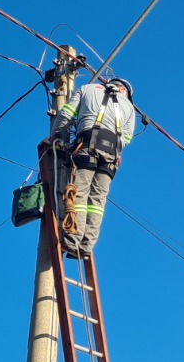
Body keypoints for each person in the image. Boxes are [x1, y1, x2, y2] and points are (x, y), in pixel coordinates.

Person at [40, 76, 136, 257]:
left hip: (86, 147)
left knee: (79, 193)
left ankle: (72, 239)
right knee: (97, 201)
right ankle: (86, 246)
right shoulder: (129, 107)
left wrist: (56, 138)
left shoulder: (87, 89)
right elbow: (127, 138)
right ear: (124, 91)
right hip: (111, 158)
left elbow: (66, 114)